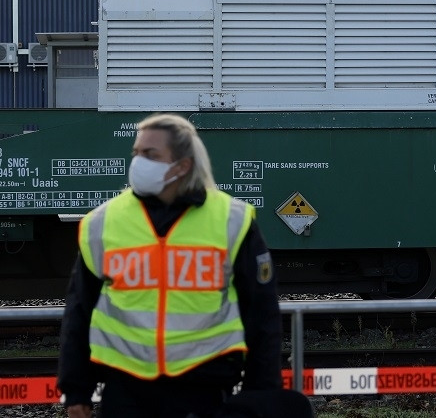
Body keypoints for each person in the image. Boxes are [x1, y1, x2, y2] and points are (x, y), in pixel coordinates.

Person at [58, 113, 283, 418]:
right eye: (136, 153)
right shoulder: (102, 222)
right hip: (125, 391)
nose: (138, 161)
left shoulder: (232, 220)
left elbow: (261, 314)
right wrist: (76, 391)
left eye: (150, 154)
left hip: (204, 391)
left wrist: (262, 392)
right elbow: (79, 310)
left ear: (182, 165)